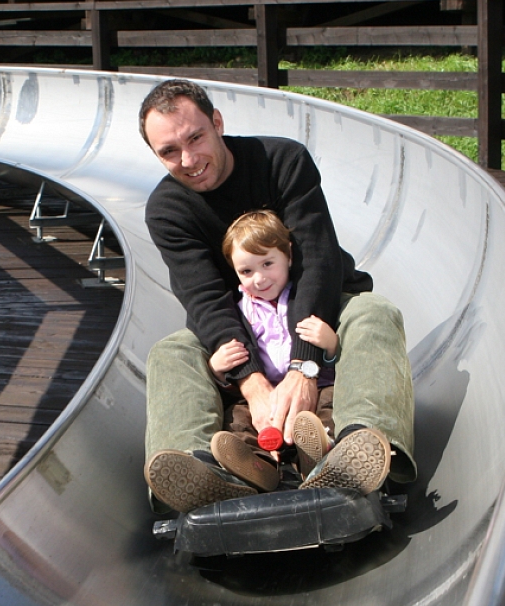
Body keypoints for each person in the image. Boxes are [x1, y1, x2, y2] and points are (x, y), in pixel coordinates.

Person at [138, 78, 416, 514]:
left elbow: (316, 259)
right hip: (244, 321)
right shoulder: (167, 210)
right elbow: (204, 297)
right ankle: (206, 471)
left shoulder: (282, 161)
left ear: (217, 123)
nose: (188, 160)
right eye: (169, 151)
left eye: (195, 138)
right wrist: (251, 383)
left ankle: (363, 443)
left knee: (372, 312)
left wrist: (303, 368)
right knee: (171, 352)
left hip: (318, 308)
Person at [207, 210, 338, 488]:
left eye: (267, 264)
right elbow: (233, 380)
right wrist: (217, 369)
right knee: (237, 418)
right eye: (246, 271)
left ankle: (319, 453)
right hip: (266, 398)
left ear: (288, 255)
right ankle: (257, 466)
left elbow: (334, 362)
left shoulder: (303, 297)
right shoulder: (240, 313)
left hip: (315, 388)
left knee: (330, 404)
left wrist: (330, 344)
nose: (259, 278)